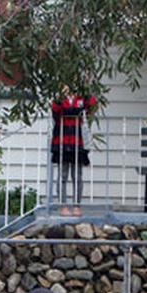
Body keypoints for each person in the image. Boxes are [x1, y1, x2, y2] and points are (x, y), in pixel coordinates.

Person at [51, 88, 97, 216]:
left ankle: (77, 205)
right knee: (63, 175)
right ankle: (63, 205)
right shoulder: (60, 98)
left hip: (77, 141)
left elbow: (92, 105)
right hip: (62, 140)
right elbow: (55, 109)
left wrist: (87, 87)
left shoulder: (81, 99)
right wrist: (60, 95)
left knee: (77, 176)